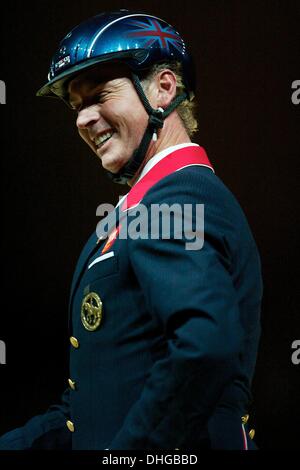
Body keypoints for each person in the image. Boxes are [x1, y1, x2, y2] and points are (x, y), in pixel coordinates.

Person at [0, 10, 263, 450]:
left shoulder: (177, 197)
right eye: (77, 106)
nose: (83, 119)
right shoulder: (146, 205)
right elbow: (89, 405)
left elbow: (204, 347)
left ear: (164, 88)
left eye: (100, 94)